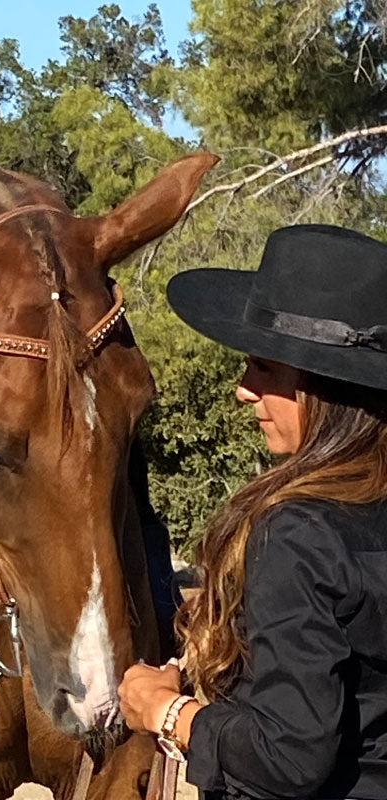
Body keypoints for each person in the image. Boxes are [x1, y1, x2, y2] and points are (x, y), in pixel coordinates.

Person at [118, 224, 387, 800]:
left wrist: (167, 712)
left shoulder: (298, 532)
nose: (244, 390)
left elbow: (289, 754)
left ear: (322, 388)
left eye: (264, 368)